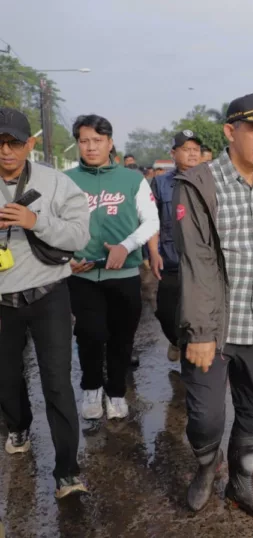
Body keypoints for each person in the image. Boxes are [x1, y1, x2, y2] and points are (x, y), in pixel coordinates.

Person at [172, 92, 253, 520]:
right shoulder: (199, 183)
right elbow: (197, 262)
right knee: (205, 417)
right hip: (215, 329)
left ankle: (242, 483)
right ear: (230, 131)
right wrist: (202, 332)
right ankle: (207, 467)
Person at [0, 108, 91, 498]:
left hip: (49, 293)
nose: (6, 151)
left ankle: (67, 471)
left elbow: (78, 238)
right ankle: (17, 424)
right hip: (2, 300)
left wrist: (34, 221)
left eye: (15, 143)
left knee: (57, 383)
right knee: (5, 378)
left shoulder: (56, 183)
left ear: (30, 145)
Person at [65, 114, 159, 420]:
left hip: (125, 275)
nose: (91, 147)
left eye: (97, 140)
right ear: (77, 143)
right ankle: (91, 387)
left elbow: (152, 222)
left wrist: (126, 246)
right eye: (84, 141)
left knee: (122, 337)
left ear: (110, 143)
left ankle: (117, 391)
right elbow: (51, 224)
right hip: (82, 274)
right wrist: (65, 256)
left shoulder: (133, 180)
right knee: (90, 335)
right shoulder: (66, 180)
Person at [148, 130, 202, 362]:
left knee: (199, 314)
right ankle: (175, 340)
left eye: (195, 150)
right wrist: (151, 252)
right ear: (173, 153)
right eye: (186, 149)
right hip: (170, 258)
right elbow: (151, 219)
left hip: (201, 262)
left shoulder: (210, 181)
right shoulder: (160, 183)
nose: (192, 154)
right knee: (165, 311)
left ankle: (193, 357)